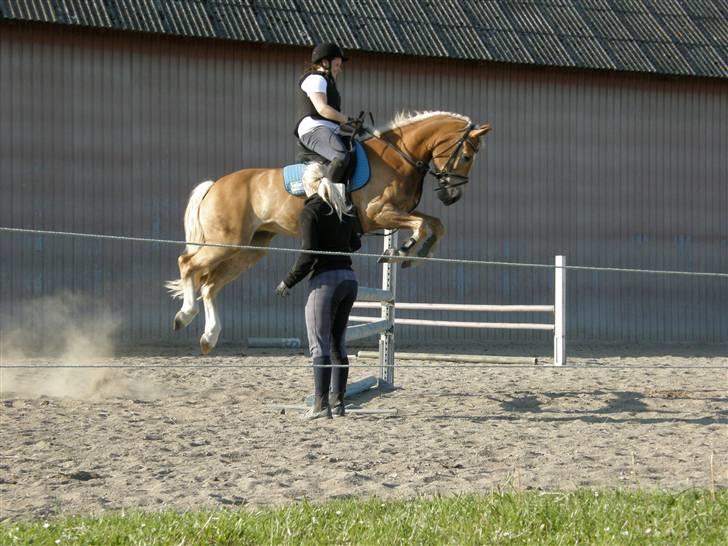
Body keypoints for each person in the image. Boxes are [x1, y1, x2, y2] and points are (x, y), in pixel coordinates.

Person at [275, 174, 362, 419]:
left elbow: (308, 255)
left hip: (326, 281)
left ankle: (320, 405)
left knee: (319, 344)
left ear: (308, 185)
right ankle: (338, 403)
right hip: (349, 279)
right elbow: (356, 244)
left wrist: (287, 281)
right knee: (337, 344)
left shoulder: (310, 211)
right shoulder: (342, 207)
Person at [294, 42, 359, 211]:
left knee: (356, 151)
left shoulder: (328, 83)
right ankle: (323, 202)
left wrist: (357, 128)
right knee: (340, 156)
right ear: (325, 63)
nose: (340, 69)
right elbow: (322, 109)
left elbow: (334, 120)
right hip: (313, 128)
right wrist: (347, 119)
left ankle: (348, 198)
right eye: (337, 64)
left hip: (329, 128)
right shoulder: (315, 79)